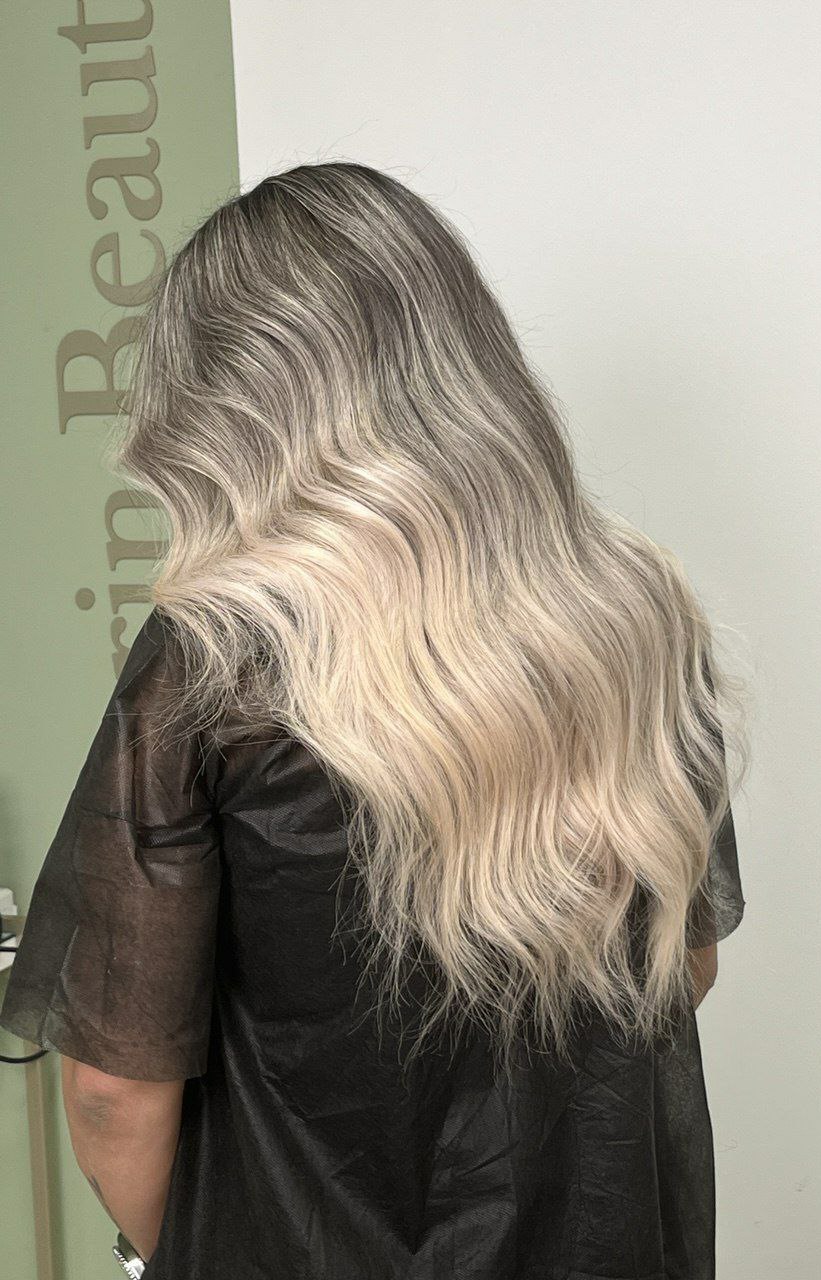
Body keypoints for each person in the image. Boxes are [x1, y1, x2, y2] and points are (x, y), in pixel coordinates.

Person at [0, 161, 747, 1280]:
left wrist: (181, 1256)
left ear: (223, 405)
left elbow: (116, 1088)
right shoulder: (635, 618)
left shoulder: (214, 660)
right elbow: (681, 968)